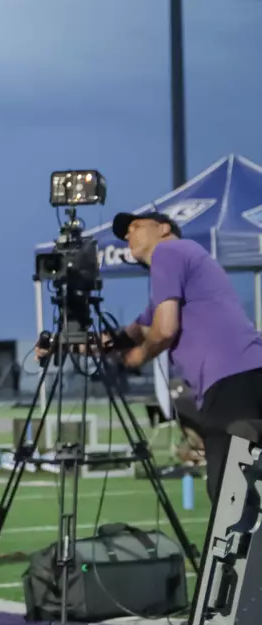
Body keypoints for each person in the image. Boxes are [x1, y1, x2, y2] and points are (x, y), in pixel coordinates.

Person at [109, 209, 262, 505]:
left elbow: (164, 330)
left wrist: (137, 357)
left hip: (229, 378)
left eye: (137, 226)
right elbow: (133, 332)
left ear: (164, 228)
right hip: (249, 370)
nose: (129, 234)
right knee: (247, 488)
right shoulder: (183, 267)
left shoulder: (169, 251)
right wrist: (69, 343)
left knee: (229, 497)